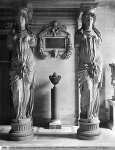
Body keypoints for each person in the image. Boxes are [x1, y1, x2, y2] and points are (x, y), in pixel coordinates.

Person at [7, 8, 37, 120]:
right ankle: (18, 114)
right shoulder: (12, 34)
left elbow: (34, 43)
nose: (20, 20)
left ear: (25, 20)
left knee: (26, 89)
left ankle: (24, 113)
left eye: (22, 18)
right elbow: (9, 46)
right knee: (17, 89)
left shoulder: (30, 34)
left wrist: (29, 39)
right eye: (18, 18)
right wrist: (13, 38)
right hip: (16, 66)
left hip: (28, 66)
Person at [76, 10, 103, 122]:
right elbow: (77, 49)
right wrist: (82, 37)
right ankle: (85, 113)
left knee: (94, 90)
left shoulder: (96, 34)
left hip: (96, 66)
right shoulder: (79, 34)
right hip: (84, 66)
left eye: (91, 19)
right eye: (86, 19)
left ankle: (91, 114)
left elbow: (99, 50)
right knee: (87, 88)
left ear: (93, 21)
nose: (89, 21)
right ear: (83, 21)